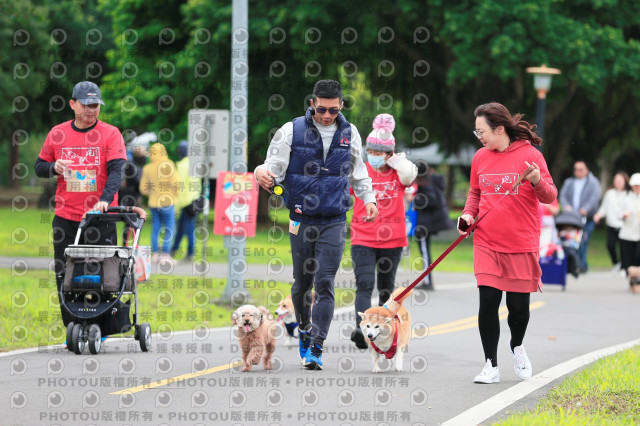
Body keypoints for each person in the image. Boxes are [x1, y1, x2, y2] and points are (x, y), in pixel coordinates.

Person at [255, 79, 378, 370]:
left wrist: (369, 199)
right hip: (300, 218)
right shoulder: (291, 130)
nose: (327, 115)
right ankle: (304, 328)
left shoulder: (350, 132)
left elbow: (359, 173)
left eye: (333, 110)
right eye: (321, 109)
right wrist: (261, 172)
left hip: (334, 219)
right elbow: (272, 166)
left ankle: (316, 346)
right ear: (312, 104)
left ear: (341, 106)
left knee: (324, 282)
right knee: (302, 284)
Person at [458, 102, 557, 384]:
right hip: (486, 241)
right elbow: (475, 193)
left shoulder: (531, 155)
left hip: (521, 243)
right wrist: (467, 215)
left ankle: (517, 346)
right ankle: (490, 364)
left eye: (482, 131)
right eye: (477, 132)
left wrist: (536, 180)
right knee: (488, 301)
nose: (479, 137)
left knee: (518, 307)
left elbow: (550, 196)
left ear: (499, 129)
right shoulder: (480, 157)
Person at [34, 81, 126, 328]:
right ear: (72, 104)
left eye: (95, 105)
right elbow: (39, 166)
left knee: (102, 275)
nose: (91, 110)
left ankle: (99, 327)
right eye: (86, 105)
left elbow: (117, 170)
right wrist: (53, 167)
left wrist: (105, 200)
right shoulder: (58, 133)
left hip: (100, 217)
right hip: (66, 217)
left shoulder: (111, 133)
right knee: (65, 275)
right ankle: (72, 328)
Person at [348, 113, 417, 349]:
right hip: (362, 237)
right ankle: (362, 329)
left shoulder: (398, 174)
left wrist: (397, 160)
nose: (374, 156)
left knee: (386, 288)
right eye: (371, 151)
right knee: (364, 284)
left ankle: (384, 331)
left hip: (393, 240)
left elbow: (410, 174)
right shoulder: (360, 171)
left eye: (379, 152)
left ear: (389, 153)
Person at [411, 163, 454, 291]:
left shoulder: (426, 184)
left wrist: (414, 200)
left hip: (425, 224)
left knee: (425, 252)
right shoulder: (429, 181)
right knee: (425, 252)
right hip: (427, 223)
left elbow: (431, 200)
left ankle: (428, 281)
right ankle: (427, 280)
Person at [558, 161, 601, 273]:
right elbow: (563, 196)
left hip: (586, 217)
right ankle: (575, 265)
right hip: (572, 218)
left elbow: (595, 197)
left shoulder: (593, 182)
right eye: (576, 169)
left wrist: (585, 209)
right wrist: (566, 206)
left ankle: (581, 264)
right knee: (572, 241)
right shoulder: (569, 182)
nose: (578, 172)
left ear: (586, 170)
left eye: (581, 169)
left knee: (583, 241)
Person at [140, 143, 179, 263]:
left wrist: (153, 193)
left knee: (155, 228)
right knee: (170, 228)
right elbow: (175, 184)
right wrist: (176, 194)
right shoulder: (168, 164)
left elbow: (143, 189)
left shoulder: (147, 168)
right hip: (168, 202)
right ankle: (165, 254)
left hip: (153, 203)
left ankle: (156, 254)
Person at [171, 140, 202, 262]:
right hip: (195, 201)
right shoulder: (194, 164)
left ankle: (190, 253)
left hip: (186, 202)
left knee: (188, 228)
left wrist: (176, 207)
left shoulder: (182, 166)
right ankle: (174, 248)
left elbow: (181, 188)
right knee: (182, 227)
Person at [594, 171, 630, 275]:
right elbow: (604, 208)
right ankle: (616, 263)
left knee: (624, 247)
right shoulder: (610, 193)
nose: (618, 183)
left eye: (620, 181)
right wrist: (598, 215)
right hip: (612, 224)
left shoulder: (628, 194)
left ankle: (624, 267)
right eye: (616, 180)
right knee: (610, 245)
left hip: (624, 225)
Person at [618, 173, 640, 276]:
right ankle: (626, 271)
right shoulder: (626, 198)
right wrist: (624, 214)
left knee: (637, 255)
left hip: (638, 231)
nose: (636, 188)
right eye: (635, 185)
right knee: (627, 254)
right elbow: (618, 214)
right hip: (627, 232)